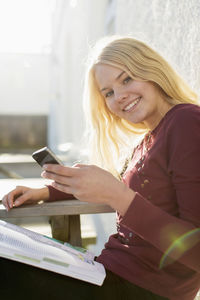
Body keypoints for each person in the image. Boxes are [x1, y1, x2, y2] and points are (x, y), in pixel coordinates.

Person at [1, 36, 200, 300]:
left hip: (139, 289)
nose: (119, 97)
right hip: (105, 272)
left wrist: (118, 196)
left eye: (126, 79)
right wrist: (46, 193)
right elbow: (113, 184)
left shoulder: (186, 122)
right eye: (108, 92)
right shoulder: (149, 140)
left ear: (152, 71)